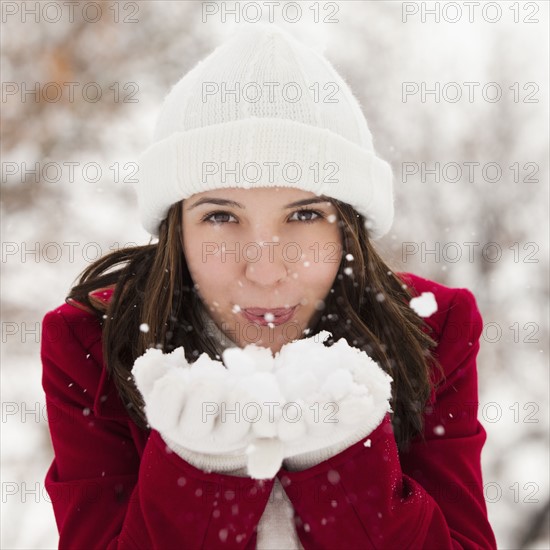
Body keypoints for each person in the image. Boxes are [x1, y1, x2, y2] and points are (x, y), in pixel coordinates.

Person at [41, 24, 497, 549]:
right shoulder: (94, 345)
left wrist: (343, 460)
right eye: (220, 217)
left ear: (347, 228)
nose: (264, 270)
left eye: (303, 213)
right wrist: (205, 466)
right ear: (175, 230)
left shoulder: (432, 329)